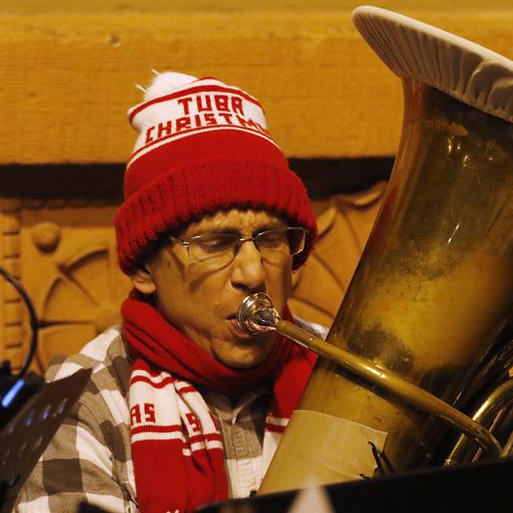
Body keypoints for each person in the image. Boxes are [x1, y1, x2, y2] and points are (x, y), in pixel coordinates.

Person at [15, 71, 320, 513]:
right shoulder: (80, 397)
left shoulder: (340, 368)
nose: (253, 274)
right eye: (217, 244)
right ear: (144, 269)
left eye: (271, 239)